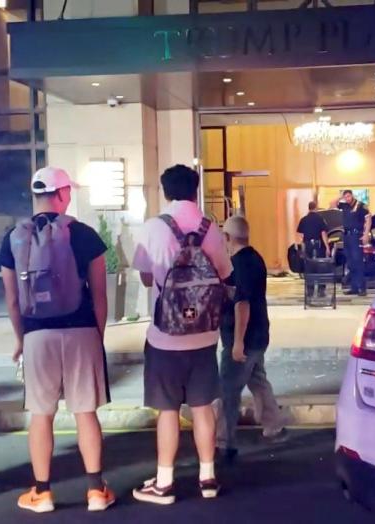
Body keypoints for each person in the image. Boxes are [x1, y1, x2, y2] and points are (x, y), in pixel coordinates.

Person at [0, 167, 115, 513]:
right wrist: (97, 335)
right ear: (63, 193)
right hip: (81, 332)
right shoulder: (84, 234)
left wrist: (22, 339)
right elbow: (100, 295)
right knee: (85, 412)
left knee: (41, 414)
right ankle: (96, 491)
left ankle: (42, 492)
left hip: (37, 335)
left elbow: (12, 300)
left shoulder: (13, 238)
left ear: (36, 196)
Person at [132, 164, 232, 505]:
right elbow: (223, 274)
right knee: (204, 407)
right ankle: (208, 478)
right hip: (205, 334)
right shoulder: (211, 229)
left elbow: (146, 278)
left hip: (165, 336)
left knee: (169, 410)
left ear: (165, 191)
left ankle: (164, 483)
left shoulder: (154, 227)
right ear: (195, 190)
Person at [216, 216, 285, 464]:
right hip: (259, 333)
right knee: (257, 380)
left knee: (228, 390)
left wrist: (237, 342)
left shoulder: (238, 264)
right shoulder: (256, 258)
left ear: (227, 238)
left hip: (243, 337)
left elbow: (242, 304)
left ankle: (224, 442)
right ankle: (273, 425)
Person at [331, 190, 371, 296]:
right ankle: (354, 287)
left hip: (356, 236)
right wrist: (340, 197)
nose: (347, 198)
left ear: (352, 195)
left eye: (349, 196)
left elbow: (368, 219)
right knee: (350, 263)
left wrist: (366, 234)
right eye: (346, 197)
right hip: (346, 236)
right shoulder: (344, 206)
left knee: (358, 262)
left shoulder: (361, 206)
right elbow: (332, 204)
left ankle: (362, 288)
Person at [296, 202, 330, 297]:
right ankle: (321, 291)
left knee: (309, 268)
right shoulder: (320, 219)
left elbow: (300, 235)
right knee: (320, 268)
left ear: (309, 208)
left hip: (307, 246)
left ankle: (310, 291)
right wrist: (327, 247)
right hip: (318, 245)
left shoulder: (303, 220)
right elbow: (323, 234)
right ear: (316, 208)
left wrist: (302, 248)